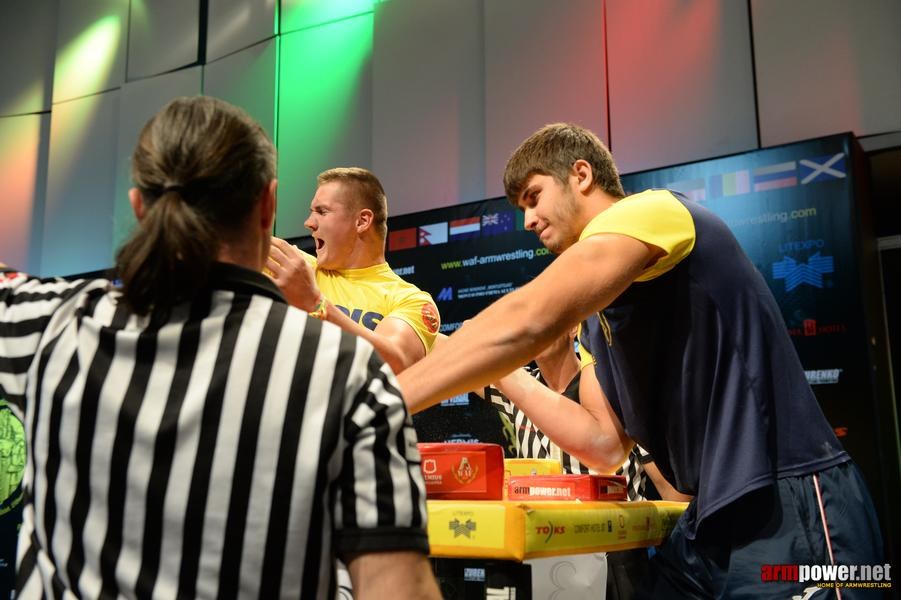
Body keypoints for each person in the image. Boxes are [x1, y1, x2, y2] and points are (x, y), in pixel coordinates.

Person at [398, 123, 883, 597]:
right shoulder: (600, 317)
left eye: (534, 196)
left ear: (581, 175)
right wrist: (502, 373)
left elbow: (528, 318)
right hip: (713, 512)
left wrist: (385, 401)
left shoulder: (654, 211)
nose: (527, 220)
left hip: (790, 497)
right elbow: (605, 445)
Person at [0, 96, 440, 600]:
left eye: (321, 210)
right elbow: (398, 590)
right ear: (267, 207)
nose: (311, 222)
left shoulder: (50, 323)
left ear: (140, 206)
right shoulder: (346, 373)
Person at [266, 168, 440, 374]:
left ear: (362, 221)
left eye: (322, 212)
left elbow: (395, 364)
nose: (309, 223)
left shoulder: (409, 300)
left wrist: (316, 305)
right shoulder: (296, 267)